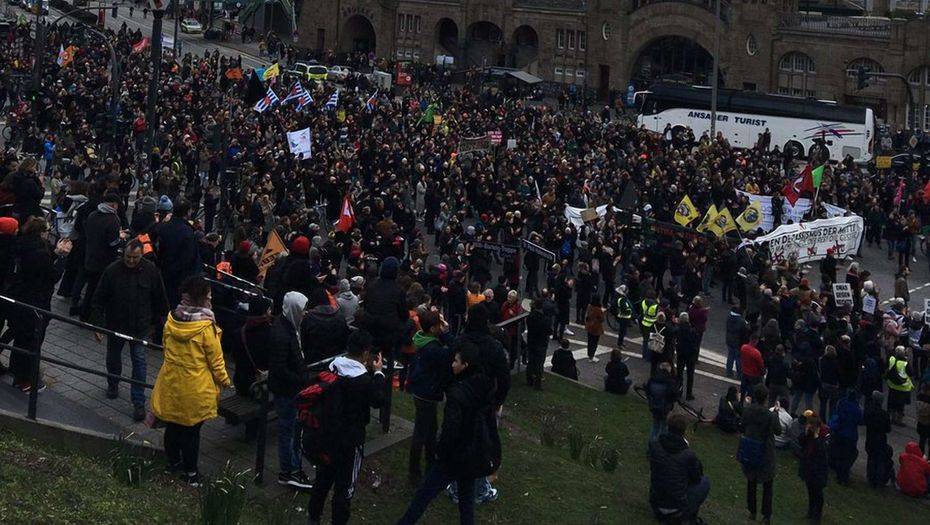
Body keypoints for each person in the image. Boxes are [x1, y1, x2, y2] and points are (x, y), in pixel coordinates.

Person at [397, 342, 500, 525]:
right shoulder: (485, 388)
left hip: (453, 456)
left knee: (424, 494)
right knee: (466, 500)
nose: (452, 364)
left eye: (456, 361)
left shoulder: (457, 394)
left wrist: (441, 452)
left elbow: (451, 429)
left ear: (465, 365)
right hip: (473, 453)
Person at [151, 276, 232, 485]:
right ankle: (191, 473)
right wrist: (225, 381)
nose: (211, 298)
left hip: (171, 382)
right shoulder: (206, 327)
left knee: (172, 426)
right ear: (201, 298)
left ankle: (172, 463)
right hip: (196, 387)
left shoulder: (172, 319)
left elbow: (166, 346)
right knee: (192, 431)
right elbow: (216, 361)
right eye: (208, 295)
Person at [308, 330, 385, 525]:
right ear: (365, 353)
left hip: (326, 433)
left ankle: (314, 517)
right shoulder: (363, 381)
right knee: (344, 488)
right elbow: (378, 399)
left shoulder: (332, 367)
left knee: (323, 479)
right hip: (351, 440)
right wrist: (378, 372)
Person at [92, 239, 168, 421]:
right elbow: (99, 298)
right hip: (116, 324)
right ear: (123, 254)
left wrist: (162, 323)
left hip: (140, 326)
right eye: (128, 257)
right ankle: (113, 383)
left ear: (141, 255)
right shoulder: (112, 271)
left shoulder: (150, 270)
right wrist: (98, 325)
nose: (131, 261)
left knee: (139, 362)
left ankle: (139, 402)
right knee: (113, 357)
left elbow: (160, 298)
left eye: (135, 257)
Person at [5, 217, 64, 392]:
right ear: (41, 232)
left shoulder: (21, 245)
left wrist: (54, 254)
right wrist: (62, 258)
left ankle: (18, 373)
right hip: (36, 303)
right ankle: (26, 380)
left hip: (20, 300)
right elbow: (51, 276)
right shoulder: (39, 252)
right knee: (32, 342)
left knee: (20, 339)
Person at [268, 291, 313, 490]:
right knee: (288, 431)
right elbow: (279, 368)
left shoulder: (289, 326)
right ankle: (289, 471)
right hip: (287, 390)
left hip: (290, 387)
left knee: (292, 429)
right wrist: (300, 379)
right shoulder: (282, 334)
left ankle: (293, 467)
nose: (305, 313)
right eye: (302, 310)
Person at [406, 309, 453, 485]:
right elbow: (452, 353)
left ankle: (430, 464)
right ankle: (415, 472)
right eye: (439, 323)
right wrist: (447, 334)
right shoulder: (434, 349)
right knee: (422, 432)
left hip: (421, 390)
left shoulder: (422, 339)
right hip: (428, 392)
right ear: (433, 328)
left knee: (430, 429)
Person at [363, 256, 408, 433]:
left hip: (372, 335)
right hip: (389, 338)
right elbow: (404, 315)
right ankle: (382, 407)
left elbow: (366, 306)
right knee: (386, 371)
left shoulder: (372, 286)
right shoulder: (398, 291)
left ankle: (370, 399)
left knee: (369, 367)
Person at [647, 413, 710, 523]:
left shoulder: (655, 446)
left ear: (668, 427)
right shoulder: (687, 455)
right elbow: (697, 477)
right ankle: (688, 517)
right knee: (704, 482)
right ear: (684, 431)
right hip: (675, 508)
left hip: (655, 502)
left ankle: (673, 512)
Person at [80, 191, 125, 321]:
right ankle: (94, 316)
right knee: (99, 290)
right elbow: (113, 243)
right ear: (114, 205)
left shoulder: (93, 215)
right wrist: (121, 238)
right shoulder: (112, 219)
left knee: (90, 288)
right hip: (104, 260)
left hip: (90, 256)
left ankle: (84, 314)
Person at [740, 385, 781, 524]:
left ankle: (752, 510)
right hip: (766, 451)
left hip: (750, 448)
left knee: (751, 481)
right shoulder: (770, 415)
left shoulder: (748, 410)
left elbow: (742, 425)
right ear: (766, 398)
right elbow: (778, 431)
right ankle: (766, 515)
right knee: (768, 485)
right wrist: (776, 414)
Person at [154, 199, 201, 308]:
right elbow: (189, 259)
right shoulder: (188, 232)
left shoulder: (163, 227)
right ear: (187, 212)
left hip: (165, 272)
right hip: (180, 278)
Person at [798, 411, 830, 522]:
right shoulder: (809, 433)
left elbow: (822, 451)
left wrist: (816, 437)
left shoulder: (825, 433)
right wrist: (806, 433)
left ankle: (817, 515)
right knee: (810, 490)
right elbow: (801, 442)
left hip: (819, 468)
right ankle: (811, 511)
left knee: (818, 493)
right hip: (809, 466)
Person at [828, 389, 862, 485]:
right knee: (848, 456)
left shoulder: (842, 403)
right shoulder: (857, 408)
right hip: (851, 435)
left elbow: (837, 414)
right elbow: (860, 421)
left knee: (840, 454)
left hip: (840, 433)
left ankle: (839, 474)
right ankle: (844, 477)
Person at [863, 391, 894, 488]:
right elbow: (888, 429)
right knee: (879, 460)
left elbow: (865, 421)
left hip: (870, 437)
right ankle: (878, 480)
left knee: (871, 458)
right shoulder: (884, 414)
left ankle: (870, 478)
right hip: (881, 439)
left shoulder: (869, 411)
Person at [646, 362, 679, 441]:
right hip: (665, 408)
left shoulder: (652, 379)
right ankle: (661, 444)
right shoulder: (670, 382)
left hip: (654, 405)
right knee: (664, 426)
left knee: (655, 425)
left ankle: (652, 443)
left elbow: (647, 391)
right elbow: (674, 396)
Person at [525, 297, 551, 390]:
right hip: (541, 343)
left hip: (531, 341)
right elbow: (549, 331)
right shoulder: (544, 319)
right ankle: (537, 383)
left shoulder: (530, 317)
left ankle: (529, 380)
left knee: (531, 362)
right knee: (539, 364)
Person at [886, 346, 914, 426]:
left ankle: (892, 418)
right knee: (901, 406)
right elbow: (911, 373)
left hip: (892, 385)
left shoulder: (892, 360)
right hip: (903, 387)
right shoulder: (905, 363)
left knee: (893, 403)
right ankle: (899, 420)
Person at [676, 312, 699, 401]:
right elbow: (696, 343)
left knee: (679, 374)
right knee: (690, 375)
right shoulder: (692, 330)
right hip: (690, 355)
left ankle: (679, 391)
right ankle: (689, 394)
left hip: (681, 354)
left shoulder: (678, 329)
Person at [739, 334, 764, 404]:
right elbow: (761, 365)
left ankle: (740, 403)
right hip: (754, 375)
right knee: (752, 392)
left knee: (742, 390)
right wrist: (762, 372)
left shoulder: (743, 347)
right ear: (756, 341)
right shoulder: (756, 353)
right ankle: (751, 404)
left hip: (744, 372)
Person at [725, 304, 748, 378]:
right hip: (738, 342)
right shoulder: (742, 321)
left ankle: (728, 372)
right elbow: (744, 332)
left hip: (729, 340)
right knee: (738, 359)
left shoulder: (729, 318)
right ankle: (739, 374)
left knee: (730, 356)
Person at [584, 296, 605, 363]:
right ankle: (592, 356)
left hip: (589, 326)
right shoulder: (598, 309)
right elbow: (602, 319)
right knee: (594, 343)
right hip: (596, 328)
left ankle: (589, 355)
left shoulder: (589, 306)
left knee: (590, 342)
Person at [917, 382, 930, 455]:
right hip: (928, 424)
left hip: (921, 423)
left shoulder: (920, 398)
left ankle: (920, 455)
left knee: (922, 440)